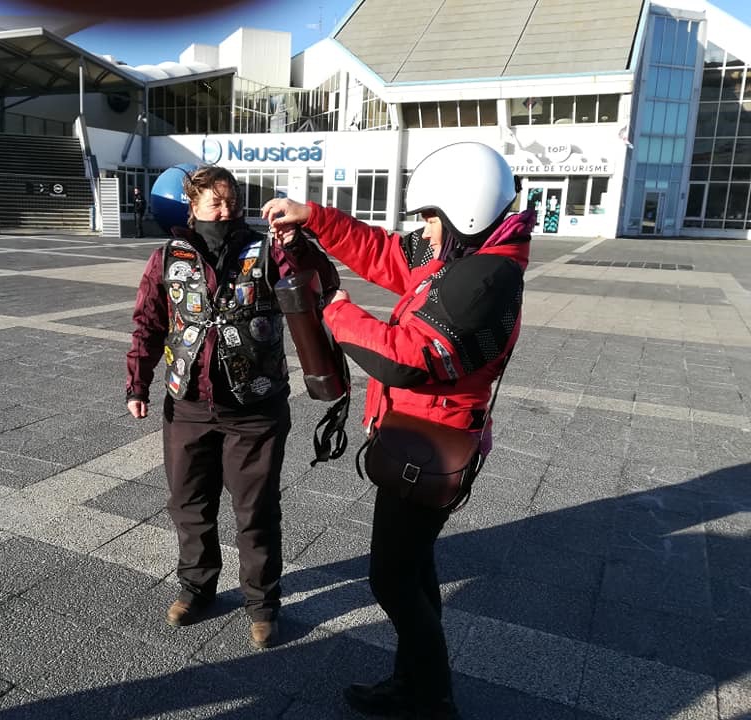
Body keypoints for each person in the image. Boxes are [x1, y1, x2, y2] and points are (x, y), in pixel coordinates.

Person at [261, 142, 535, 719]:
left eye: (431, 219)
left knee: (391, 579)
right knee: (416, 571)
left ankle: (432, 699)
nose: (425, 231)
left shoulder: (485, 278)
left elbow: (406, 359)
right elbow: (385, 253)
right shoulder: (465, 248)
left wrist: (335, 308)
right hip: (415, 434)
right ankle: (414, 682)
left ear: (467, 209)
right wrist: (315, 217)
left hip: (430, 447)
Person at [126, 165, 339, 649]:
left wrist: (298, 244)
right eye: (214, 203)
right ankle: (196, 589)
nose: (225, 211)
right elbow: (148, 323)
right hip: (188, 404)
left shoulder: (267, 248)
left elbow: (320, 282)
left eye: (231, 201)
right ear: (193, 206)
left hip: (255, 407)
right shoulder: (168, 256)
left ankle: (262, 604)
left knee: (256, 510)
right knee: (188, 505)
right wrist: (136, 383)